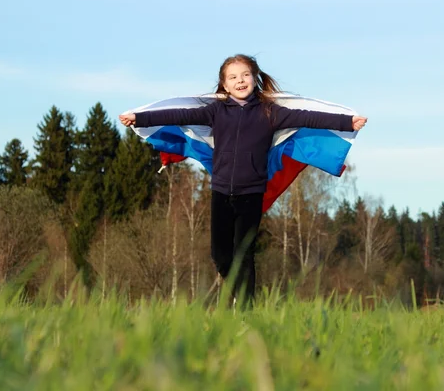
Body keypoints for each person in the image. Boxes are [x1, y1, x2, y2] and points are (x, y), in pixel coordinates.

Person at [119, 54, 367, 306]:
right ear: (224, 85)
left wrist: (348, 122)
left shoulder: (270, 112)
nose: (240, 81)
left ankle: (247, 308)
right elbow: (179, 115)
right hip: (221, 191)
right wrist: (140, 119)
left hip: (252, 193)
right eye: (233, 77)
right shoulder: (215, 111)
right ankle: (238, 289)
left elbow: (308, 117)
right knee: (219, 254)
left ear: (255, 78)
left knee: (244, 252)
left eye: (245, 75)